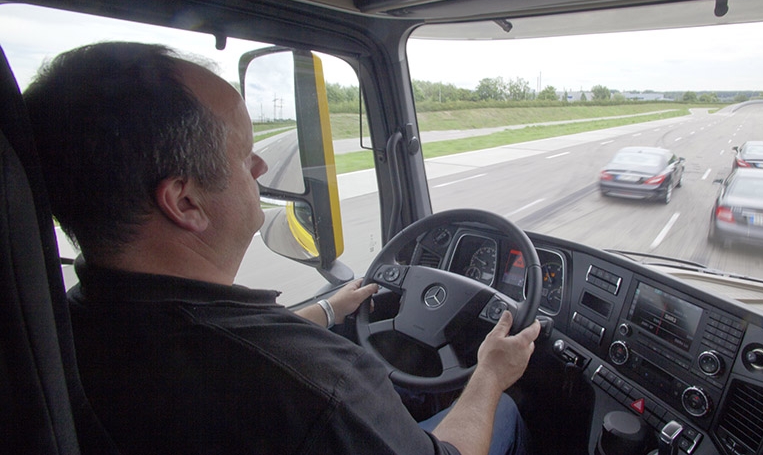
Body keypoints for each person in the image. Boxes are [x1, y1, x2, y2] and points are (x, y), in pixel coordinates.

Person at [23, 42, 541, 455]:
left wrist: (327, 309)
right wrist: (492, 372)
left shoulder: (62, 327)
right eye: (245, 155)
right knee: (507, 412)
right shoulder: (320, 388)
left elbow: (235, 346)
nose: (261, 169)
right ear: (185, 202)